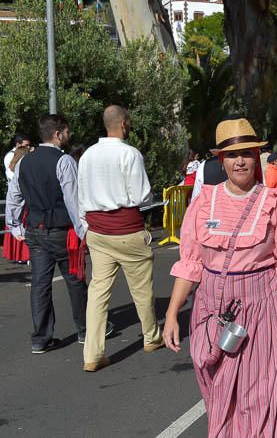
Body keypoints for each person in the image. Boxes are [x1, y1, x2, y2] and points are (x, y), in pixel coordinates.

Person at [163, 118, 277, 437]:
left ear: (257, 156)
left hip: (262, 305)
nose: (240, 161)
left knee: (256, 397)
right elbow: (190, 263)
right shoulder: (203, 202)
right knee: (216, 391)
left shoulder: (276, 205)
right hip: (211, 306)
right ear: (221, 160)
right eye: (232, 155)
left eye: (247, 153)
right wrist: (172, 314)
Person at [78, 105, 163, 372]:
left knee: (98, 293)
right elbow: (141, 195)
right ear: (124, 124)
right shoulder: (129, 153)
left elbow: (81, 197)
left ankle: (92, 354)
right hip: (127, 230)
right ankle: (151, 337)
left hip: (97, 232)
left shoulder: (87, 155)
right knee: (141, 290)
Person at [5, 115, 88, 354]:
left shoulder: (23, 162)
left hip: (35, 229)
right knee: (75, 279)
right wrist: (83, 231)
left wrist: (15, 227)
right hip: (62, 230)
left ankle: (41, 338)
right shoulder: (64, 162)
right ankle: (84, 329)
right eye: (67, 131)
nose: (68, 135)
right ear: (58, 133)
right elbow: (73, 201)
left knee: (40, 284)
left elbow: (14, 198)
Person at [2, 146, 31, 263]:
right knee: (20, 228)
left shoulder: (14, 169)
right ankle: (22, 256)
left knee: (17, 228)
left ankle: (21, 255)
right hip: (20, 205)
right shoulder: (13, 171)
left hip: (17, 204)